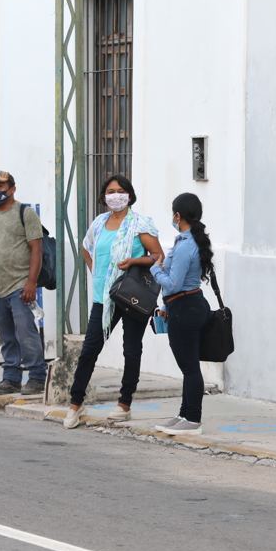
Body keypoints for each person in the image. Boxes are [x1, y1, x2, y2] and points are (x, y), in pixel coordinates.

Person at [64, 175, 163, 429]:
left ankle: (124, 404)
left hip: (132, 296)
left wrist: (133, 262)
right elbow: (86, 248)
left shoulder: (141, 224)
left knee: (131, 349)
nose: (115, 195)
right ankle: (75, 404)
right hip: (103, 297)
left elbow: (158, 256)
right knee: (89, 350)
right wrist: (97, 273)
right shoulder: (99, 223)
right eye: (110, 191)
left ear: (129, 195)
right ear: (103, 196)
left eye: (120, 191)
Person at [0, 170, 46, 396]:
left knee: (26, 334)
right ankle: (11, 379)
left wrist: (31, 283)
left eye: (0, 186)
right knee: (7, 337)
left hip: (20, 287)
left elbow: (37, 250)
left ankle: (37, 377)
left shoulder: (24, 213)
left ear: (12, 188)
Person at [151, 193, 215, 436]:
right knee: (189, 365)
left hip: (185, 309)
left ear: (178, 216)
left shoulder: (185, 245)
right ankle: (184, 414)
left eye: (173, 214)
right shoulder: (189, 241)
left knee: (189, 367)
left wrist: (155, 269)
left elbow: (173, 283)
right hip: (186, 306)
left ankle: (193, 419)